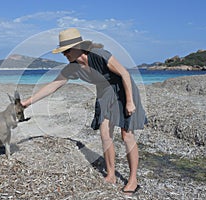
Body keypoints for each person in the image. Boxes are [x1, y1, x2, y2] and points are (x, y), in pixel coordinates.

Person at [21, 28, 146, 195]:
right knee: (104, 133)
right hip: (105, 92)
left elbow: (124, 73)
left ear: (78, 47)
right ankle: (111, 175)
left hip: (123, 89)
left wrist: (129, 101)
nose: (64, 54)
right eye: (62, 51)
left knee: (126, 135)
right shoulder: (73, 67)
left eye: (66, 50)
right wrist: (28, 102)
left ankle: (133, 180)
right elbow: (54, 85)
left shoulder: (99, 55)